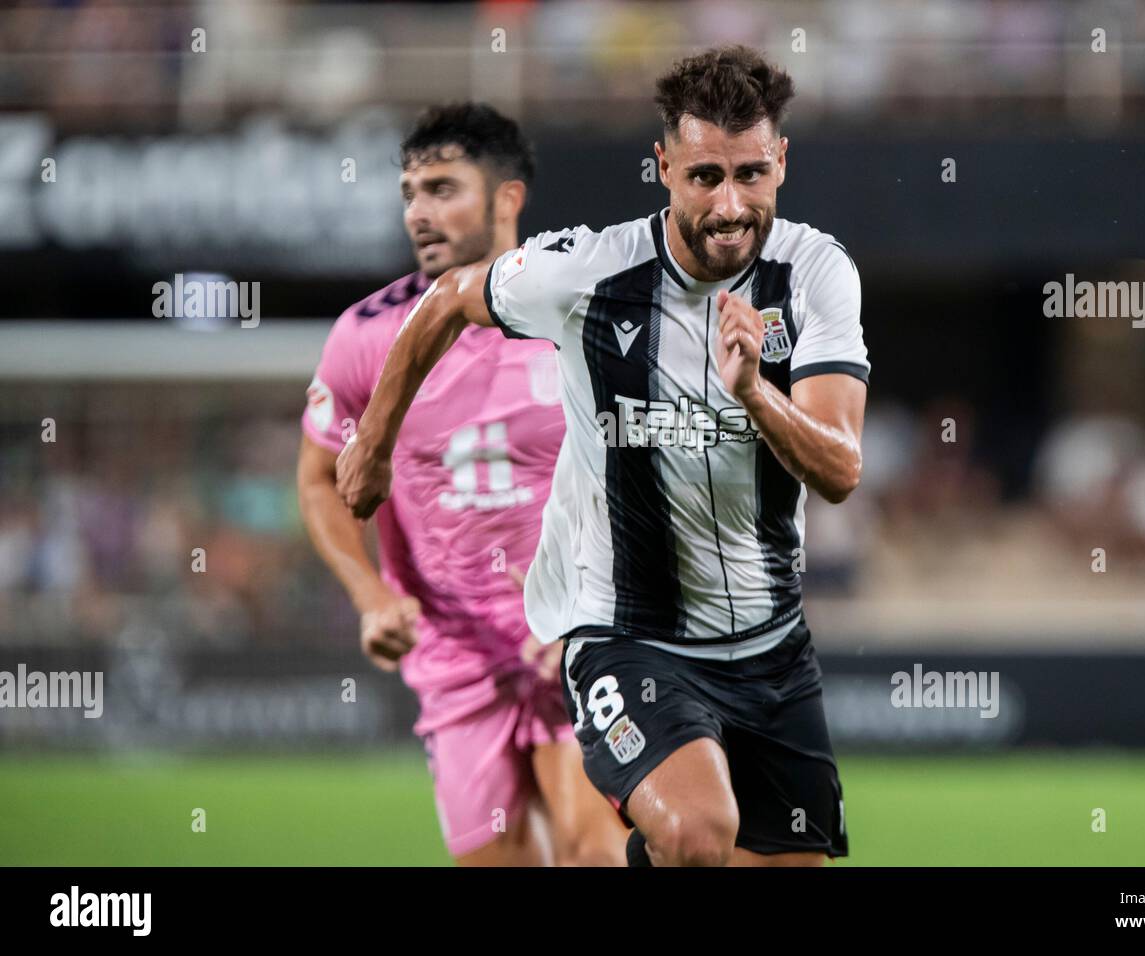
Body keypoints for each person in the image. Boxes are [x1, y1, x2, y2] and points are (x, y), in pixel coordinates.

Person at [337, 47, 870, 866]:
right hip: (626, 635)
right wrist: (372, 445)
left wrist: (755, 393)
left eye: (752, 175)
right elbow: (444, 300)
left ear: (782, 163)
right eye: (704, 177)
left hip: (771, 646)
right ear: (662, 166)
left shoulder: (815, 274)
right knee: (699, 833)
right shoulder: (588, 272)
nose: (731, 205)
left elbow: (838, 470)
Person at [297, 103, 626, 866]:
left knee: (597, 852)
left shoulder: (578, 311)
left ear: (508, 198)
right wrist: (369, 594)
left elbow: (646, 474)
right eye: (410, 191)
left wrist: (601, 603)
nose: (419, 211)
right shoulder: (366, 336)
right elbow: (319, 480)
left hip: (579, 646)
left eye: (443, 188)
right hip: (456, 666)